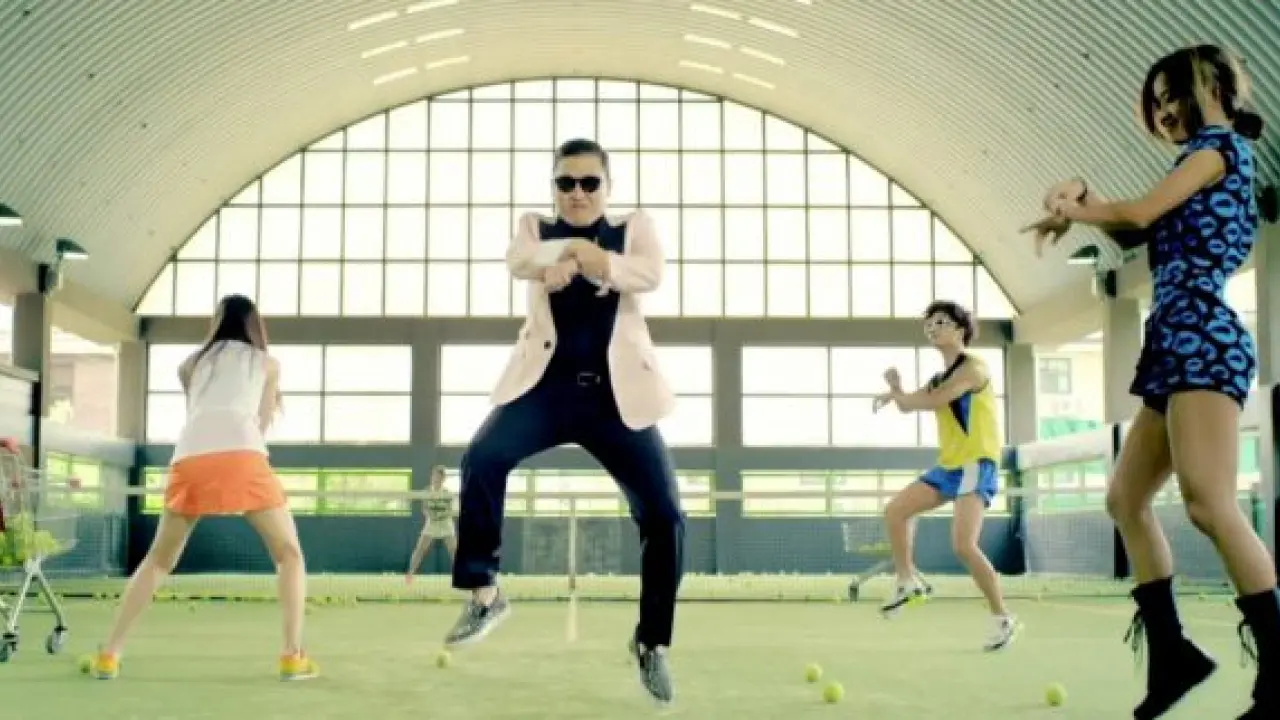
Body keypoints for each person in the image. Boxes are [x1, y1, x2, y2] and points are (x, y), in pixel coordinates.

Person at [1023, 44, 1274, 719]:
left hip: (1205, 340)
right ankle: (1172, 655)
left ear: (1214, 86)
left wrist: (1084, 207)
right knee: (1125, 498)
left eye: (1174, 95)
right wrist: (1079, 196)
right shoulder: (1189, 163)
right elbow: (1134, 228)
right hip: (1174, 343)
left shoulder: (1216, 151)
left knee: (1210, 506)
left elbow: (1136, 215)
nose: (1164, 111)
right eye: (1156, 102)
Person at [442, 138, 685, 706]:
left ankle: (651, 642)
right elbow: (518, 261)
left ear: (607, 187)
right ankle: (485, 595)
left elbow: (649, 273)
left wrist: (594, 261)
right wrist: (567, 255)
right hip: (544, 389)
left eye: (589, 183)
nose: (577, 192)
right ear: (553, 188)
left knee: (666, 515)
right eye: (565, 183)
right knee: (483, 458)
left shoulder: (632, 228)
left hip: (616, 398)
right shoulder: (535, 228)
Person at [90, 294, 317, 682]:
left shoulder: (190, 365)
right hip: (243, 455)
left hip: (190, 458)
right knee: (289, 555)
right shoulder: (267, 364)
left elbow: (198, 414)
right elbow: (260, 425)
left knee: (158, 560)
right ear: (254, 325)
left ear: (217, 322)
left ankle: (109, 654)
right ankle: (292, 656)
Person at [872, 300, 1020, 652]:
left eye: (940, 322)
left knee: (963, 545)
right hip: (950, 466)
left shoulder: (974, 368)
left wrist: (901, 394)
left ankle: (1002, 618)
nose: (932, 328)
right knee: (895, 511)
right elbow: (909, 405)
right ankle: (907, 581)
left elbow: (934, 401)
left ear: (960, 329)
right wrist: (896, 389)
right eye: (928, 325)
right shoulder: (938, 378)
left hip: (976, 462)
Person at [405, 466, 456, 582]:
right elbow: (424, 509)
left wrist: (440, 515)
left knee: (453, 550)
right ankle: (410, 574)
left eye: (439, 476)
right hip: (431, 523)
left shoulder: (447, 493)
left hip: (445, 523)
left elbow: (449, 510)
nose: (435, 478)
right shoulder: (427, 491)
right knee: (420, 549)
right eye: (434, 475)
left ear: (443, 478)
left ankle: (461, 576)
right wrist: (431, 515)